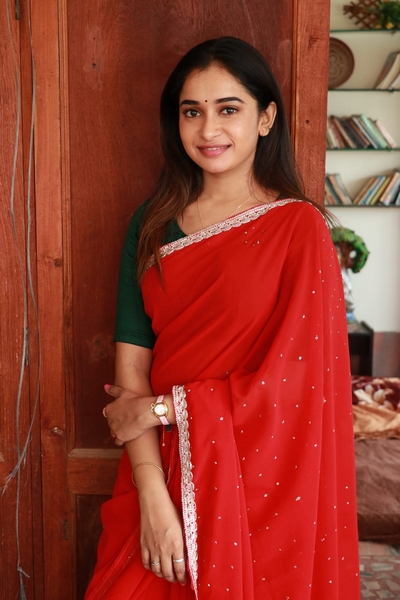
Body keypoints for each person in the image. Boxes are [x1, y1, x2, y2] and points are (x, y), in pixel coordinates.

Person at [85, 37, 360, 600]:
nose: (208, 129)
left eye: (228, 109)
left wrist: (163, 408)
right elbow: (130, 374)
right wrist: (154, 500)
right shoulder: (151, 225)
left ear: (266, 118)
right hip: (159, 468)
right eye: (192, 112)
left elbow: (302, 384)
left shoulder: (299, 230)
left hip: (266, 486)